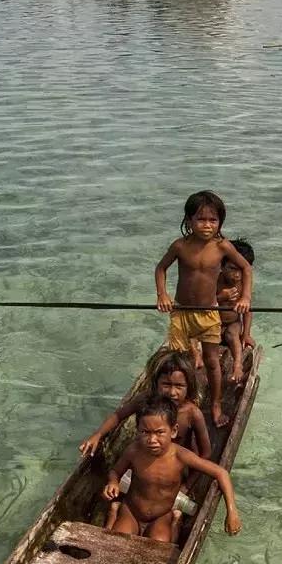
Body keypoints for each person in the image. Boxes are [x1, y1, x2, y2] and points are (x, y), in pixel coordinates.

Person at [155, 191, 253, 429]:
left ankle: (216, 403)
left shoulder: (222, 247)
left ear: (220, 222)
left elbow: (246, 269)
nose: (207, 225)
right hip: (182, 311)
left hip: (209, 312)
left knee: (211, 361)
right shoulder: (180, 246)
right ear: (188, 221)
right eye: (200, 219)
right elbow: (160, 269)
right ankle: (179, 403)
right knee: (179, 361)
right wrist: (162, 294)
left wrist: (246, 297)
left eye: (213, 220)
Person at [103, 397, 241, 541]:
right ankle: (115, 511)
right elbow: (115, 472)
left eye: (159, 432)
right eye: (145, 432)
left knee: (159, 547)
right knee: (117, 541)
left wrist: (231, 512)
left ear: (174, 431)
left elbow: (221, 473)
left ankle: (175, 521)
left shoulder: (180, 455)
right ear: (137, 430)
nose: (152, 440)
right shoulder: (134, 451)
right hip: (131, 511)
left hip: (161, 515)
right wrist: (112, 482)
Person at [79, 351, 211, 460]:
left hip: (175, 464)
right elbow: (118, 416)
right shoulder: (146, 399)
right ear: (156, 383)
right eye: (166, 384)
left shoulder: (192, 413)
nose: (172, 392)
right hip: (146, 456)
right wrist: (98, 434)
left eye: (179, 386)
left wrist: (186, 486)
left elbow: (205, 453)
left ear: (188, 387)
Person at [216, 238, 256, 382]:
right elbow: (205, 304)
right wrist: (221, 297)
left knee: (233, 334)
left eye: (241, 270)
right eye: (232, 269)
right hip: (214, 323)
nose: (237, 275)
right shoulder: (215, 280)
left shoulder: (243, 284)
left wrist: (246, 334)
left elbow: (247, 310)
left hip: (232, 323)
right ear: (222, 265)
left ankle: (237, 365)